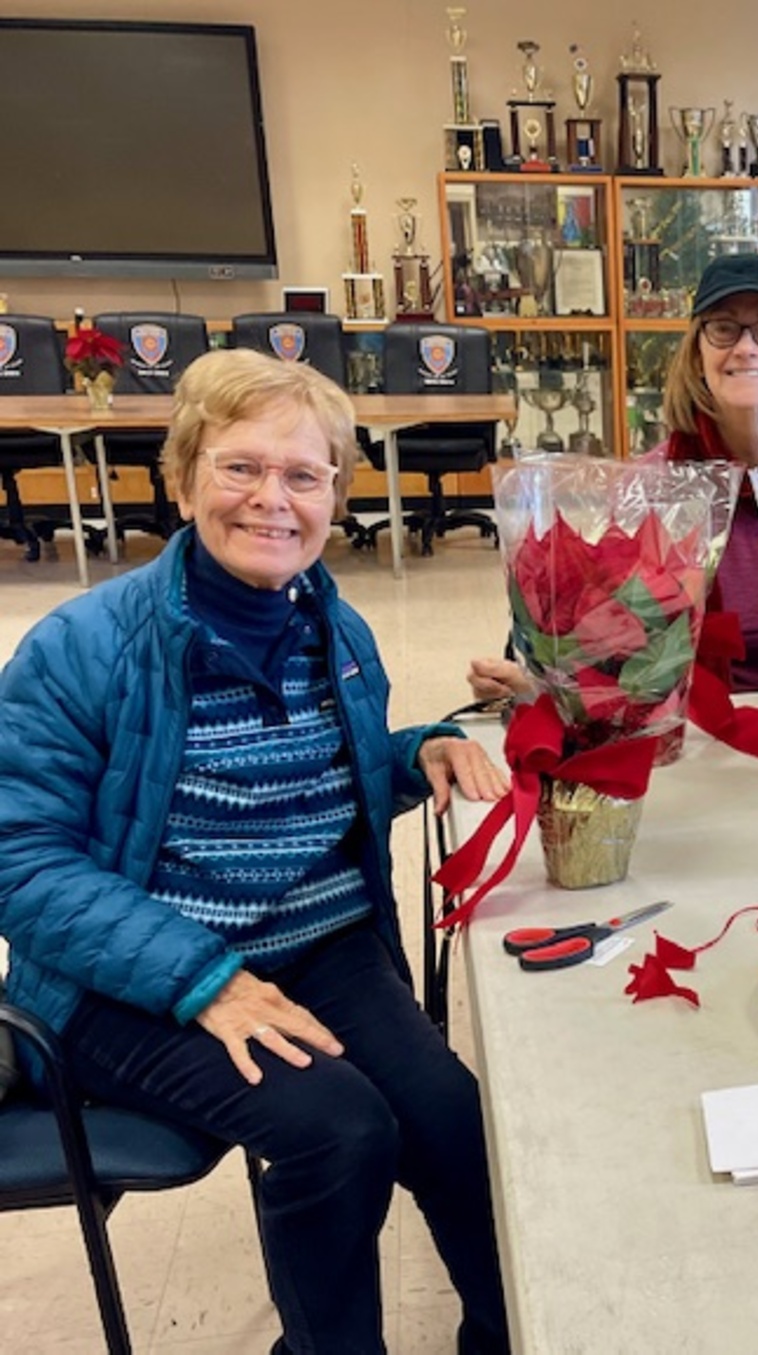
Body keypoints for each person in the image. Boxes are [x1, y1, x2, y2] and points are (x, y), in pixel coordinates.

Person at [0, 349, 511, 1353]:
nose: (272, 499)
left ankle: (509, 1334)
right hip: (135, 980)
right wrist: (204, 979)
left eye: (304, 474)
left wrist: (422, 752)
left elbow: (323, 777)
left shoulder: (333, 622)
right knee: (340, 1130)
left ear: (336, 494)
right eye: (240, 467)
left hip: (319, 940)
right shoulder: (82, 646)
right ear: (182, 475)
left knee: (453, 1118)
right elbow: (21, 863)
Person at [470, 251, 758, 700]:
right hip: (694, 737)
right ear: (698, 350)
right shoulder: (651, 487)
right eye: (724, 327)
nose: (746, 348)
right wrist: (536, 686)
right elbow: (605, 647)